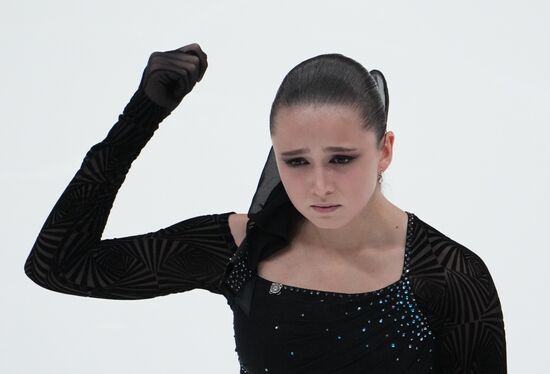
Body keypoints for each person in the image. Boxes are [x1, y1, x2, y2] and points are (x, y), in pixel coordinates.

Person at [23, 42, 507, 373]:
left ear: (384, 150)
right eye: (296, 161)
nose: (319, 186)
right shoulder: (242, 249)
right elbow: (59, 266)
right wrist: (141, 117)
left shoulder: (450, 276)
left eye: (341, 158)